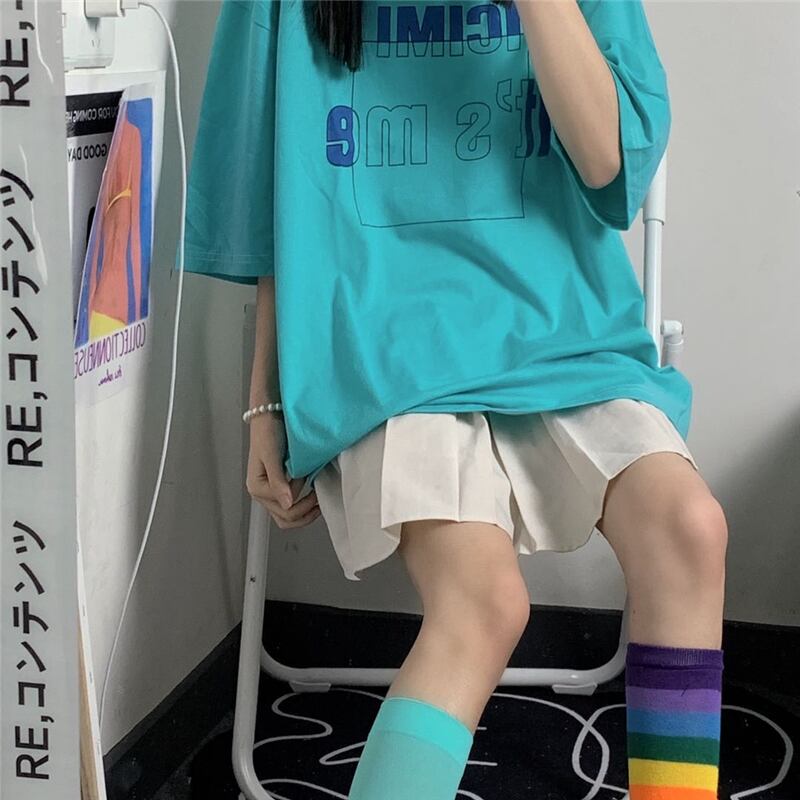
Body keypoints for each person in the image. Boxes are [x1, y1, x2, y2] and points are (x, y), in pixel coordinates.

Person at [179, 1, 728, 798]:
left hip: (563, 333)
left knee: (690, 528)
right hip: (383, 350)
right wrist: (263, 399)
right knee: (482, 604)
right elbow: (273, 190)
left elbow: (610, 165)